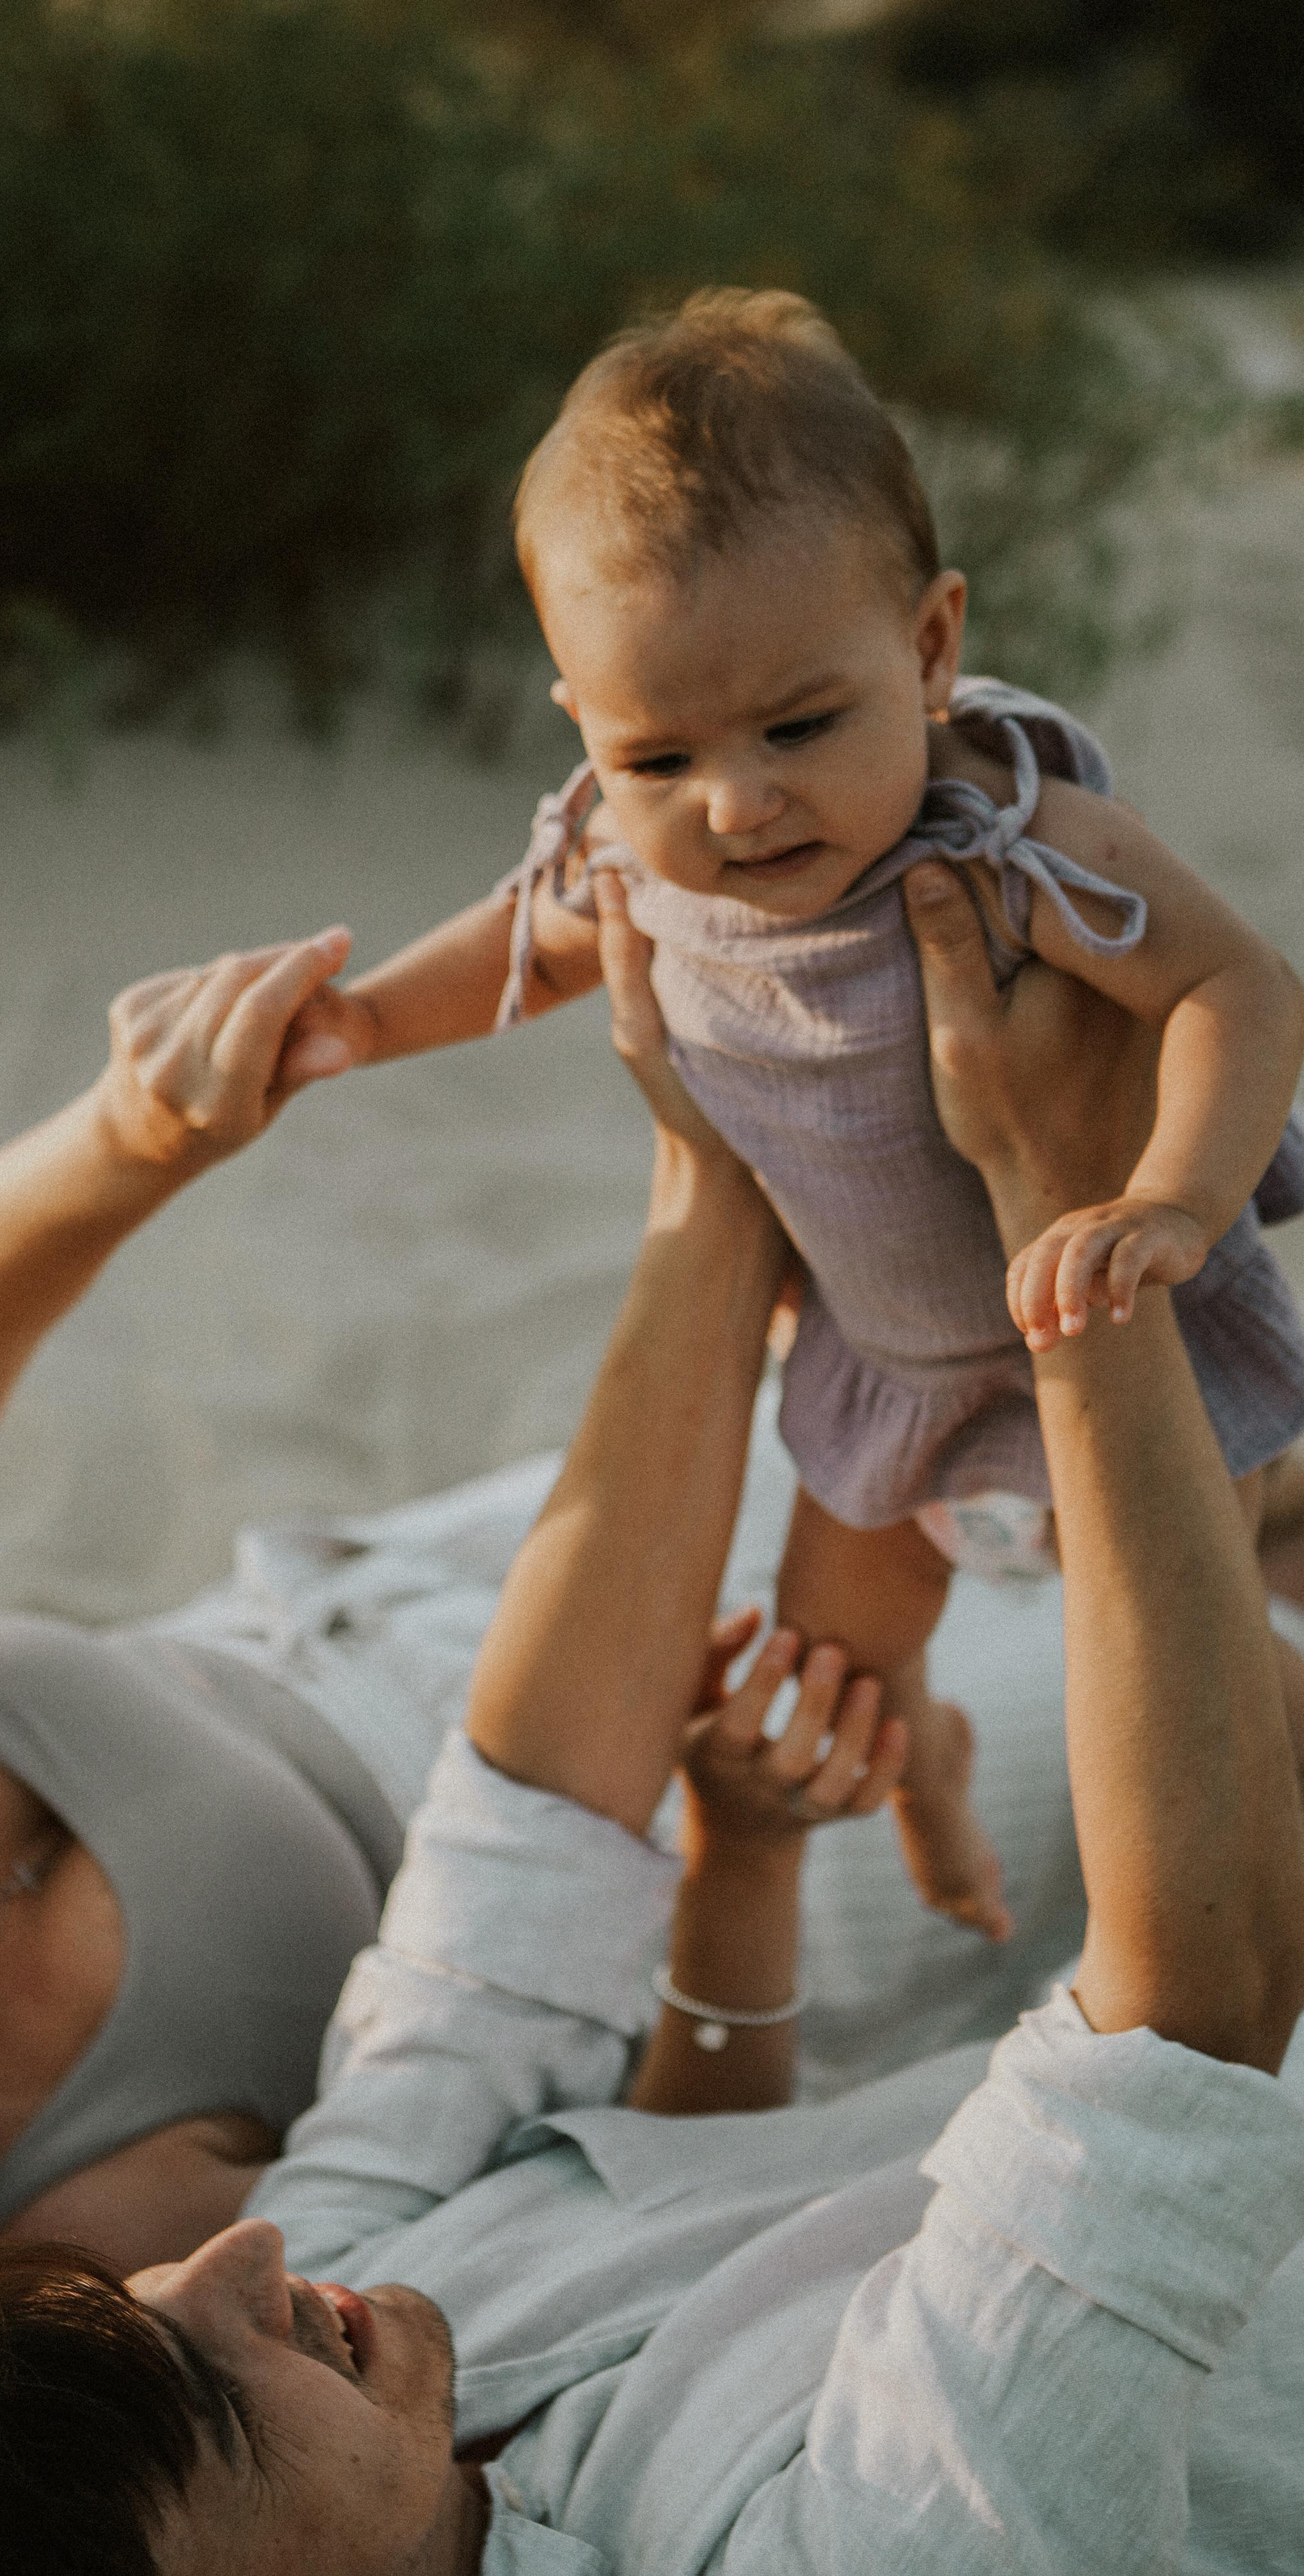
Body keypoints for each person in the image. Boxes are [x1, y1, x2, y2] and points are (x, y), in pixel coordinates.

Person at [0, 864, 1304, 2576]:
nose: (230, 2266)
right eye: (203, 2408)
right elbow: (1184, 2030)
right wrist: (1064, 1229)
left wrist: (712, 1154)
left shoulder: (343, 2320)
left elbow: (506, 1889)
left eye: (136, 2317)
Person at [0, 914, 985, 2576]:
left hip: (449, 1581)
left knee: (1030, 1339)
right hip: (679, 1797)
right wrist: (746, 1859)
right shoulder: (95, 2252)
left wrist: (130, 1140)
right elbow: (577, 2152)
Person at [278, 285, 1304, 1944]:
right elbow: (521, 942)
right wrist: (360, 1022)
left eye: (801, 727)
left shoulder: (1011, 847)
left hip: (1120, 1332)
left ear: (929, 647)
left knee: (1192, 1663)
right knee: (837, 1666)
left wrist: (1174, 1201)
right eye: (656, 757)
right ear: (583, 728)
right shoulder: (635, 859)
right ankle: (930, 1782)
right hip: (884, 1369)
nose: (738, 803)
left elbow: (1238, 989)